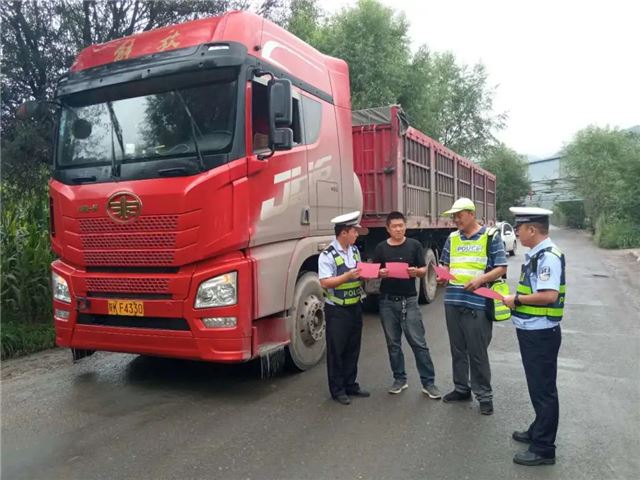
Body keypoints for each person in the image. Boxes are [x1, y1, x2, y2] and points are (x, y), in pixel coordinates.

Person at [503, 207, 565, 466]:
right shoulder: (537, 255)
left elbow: (549, 295)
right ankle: (538, 430)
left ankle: (543, 448)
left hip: (541, 333)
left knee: (543, 390)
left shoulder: (547, 257)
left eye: (519, 228)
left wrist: (516, 300)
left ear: (531, 229)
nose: (517, 233)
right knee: (537, 387)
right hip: (533, 330)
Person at [439, 197, 508, 415]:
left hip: (477, 303)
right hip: (453, 301)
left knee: (477, 352)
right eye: (453, 216)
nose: (456, 219)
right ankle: (461, 389)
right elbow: (445, 263)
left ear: (471, 214)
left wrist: (480, 280)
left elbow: (501, 267)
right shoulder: (452, 238)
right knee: (457, 349)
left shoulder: (490, 236)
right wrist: (442, 274)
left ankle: (484, 396)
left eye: (459, 215)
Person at [373, 211, 441, 399]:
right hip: (387, 301)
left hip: (409, 301)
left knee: (419, 343)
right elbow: (374, 270)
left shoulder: (414, 245)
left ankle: (429, 383)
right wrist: (380, 273)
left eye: (401, 225)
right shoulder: (381, 248)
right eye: (394, 226)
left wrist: (416, 272)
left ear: (405, 226)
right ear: (388, 229)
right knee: (393, 344)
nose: (398, 229)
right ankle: (399, 379)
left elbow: (423, 269)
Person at [318, 211, 370, 405]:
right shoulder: (327, 255)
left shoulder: (354, 250)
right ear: (343, 233)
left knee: (352, 348)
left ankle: (350, 384)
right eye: (354, 231)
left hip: (355, 306)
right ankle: (337, 390)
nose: (356, 234)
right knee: (337, 351)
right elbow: (325, 282)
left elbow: (359, 273)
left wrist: (368, 273)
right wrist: (348, 276)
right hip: (337, 310)